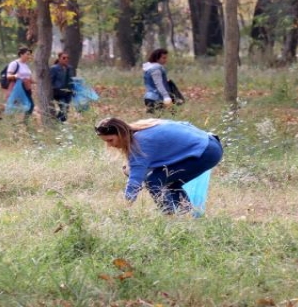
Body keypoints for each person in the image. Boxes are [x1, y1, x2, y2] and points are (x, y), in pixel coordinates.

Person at [94, 117, 223, 215]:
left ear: (121, 133)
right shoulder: (143, 126)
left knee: (154, 180)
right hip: (209, 143)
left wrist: (124, 208)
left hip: (207, 151)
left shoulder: (139, 142)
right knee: (168, 181)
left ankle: (169, 216)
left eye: (110, 140)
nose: (110, 145)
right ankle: (185, 215)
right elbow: (184, 125)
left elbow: (135, 181)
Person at [6, 47, 34, 120]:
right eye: (27, 54)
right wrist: (16, 76)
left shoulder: (26, 65)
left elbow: (30, 78)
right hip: (17, 88)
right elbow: (8, 76)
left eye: (29, 55)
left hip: (27, 89)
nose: (29, 56)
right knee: (14, 106)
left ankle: (25, 122)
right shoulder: (14, 64)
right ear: (21, 54)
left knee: (30, 106)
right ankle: (11, 123)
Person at [142, 48, 174, 114]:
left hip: (149, 97)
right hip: (156, 98)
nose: (166, 60)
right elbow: (159, 84)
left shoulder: (149, 68)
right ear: (157, 58)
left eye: (166, 58)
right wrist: (166, 97)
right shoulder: (156, 69)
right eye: (163, 58)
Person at [49, 52, 75, 122]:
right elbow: (50, 81)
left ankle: (59, 122)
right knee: (63, 108)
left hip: (68, 92)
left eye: (67, 58)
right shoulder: (54, 68)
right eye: (64, 58)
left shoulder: (69, 68)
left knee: (66, 110)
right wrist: (53, 90)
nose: (66, 59)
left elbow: (72, 79)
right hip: (59, 93)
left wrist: (73, 89)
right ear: (59, 58)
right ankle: (57, 122)